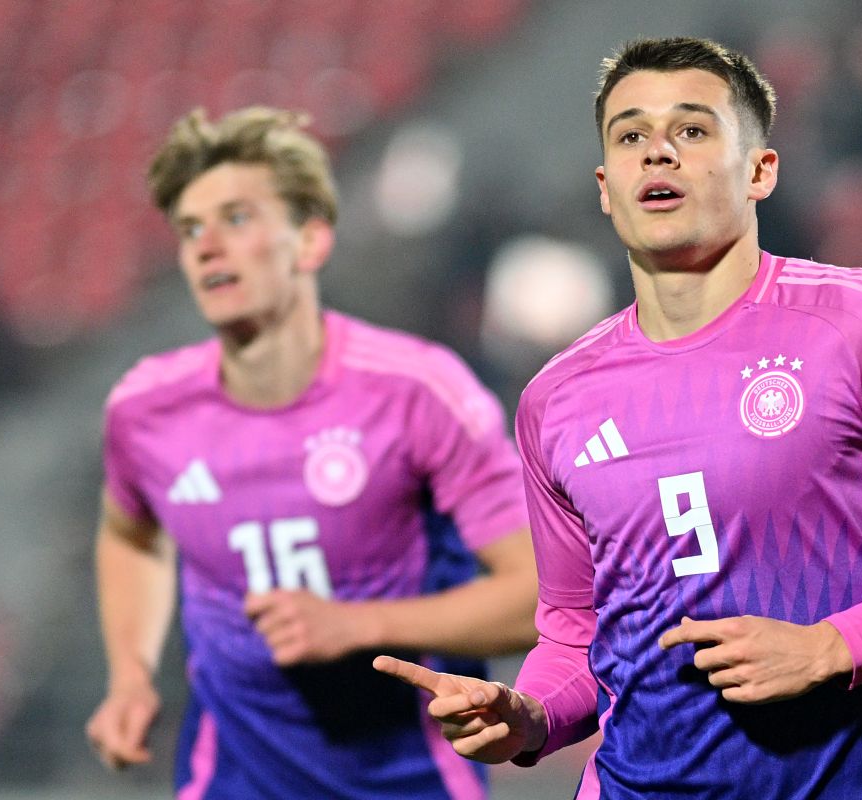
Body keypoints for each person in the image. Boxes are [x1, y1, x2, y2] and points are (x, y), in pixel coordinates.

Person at [374, 36, 862, 799]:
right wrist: (530, 715)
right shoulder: (556, 397)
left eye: (694, 130)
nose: (658, 154)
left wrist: (833, 646)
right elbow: (577, 633)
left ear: (761, 171)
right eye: (632, 135)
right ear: (607, 187)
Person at [84, 106, 538, 800]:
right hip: (230, 778)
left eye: (236, 219)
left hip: (409, 778)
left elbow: (540, 594)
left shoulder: (418, 392)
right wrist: (130, 676)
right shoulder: (145, 411)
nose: (207, 246)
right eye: (189, 229)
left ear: (312, 240)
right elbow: (130, 536)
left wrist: (358, 625)